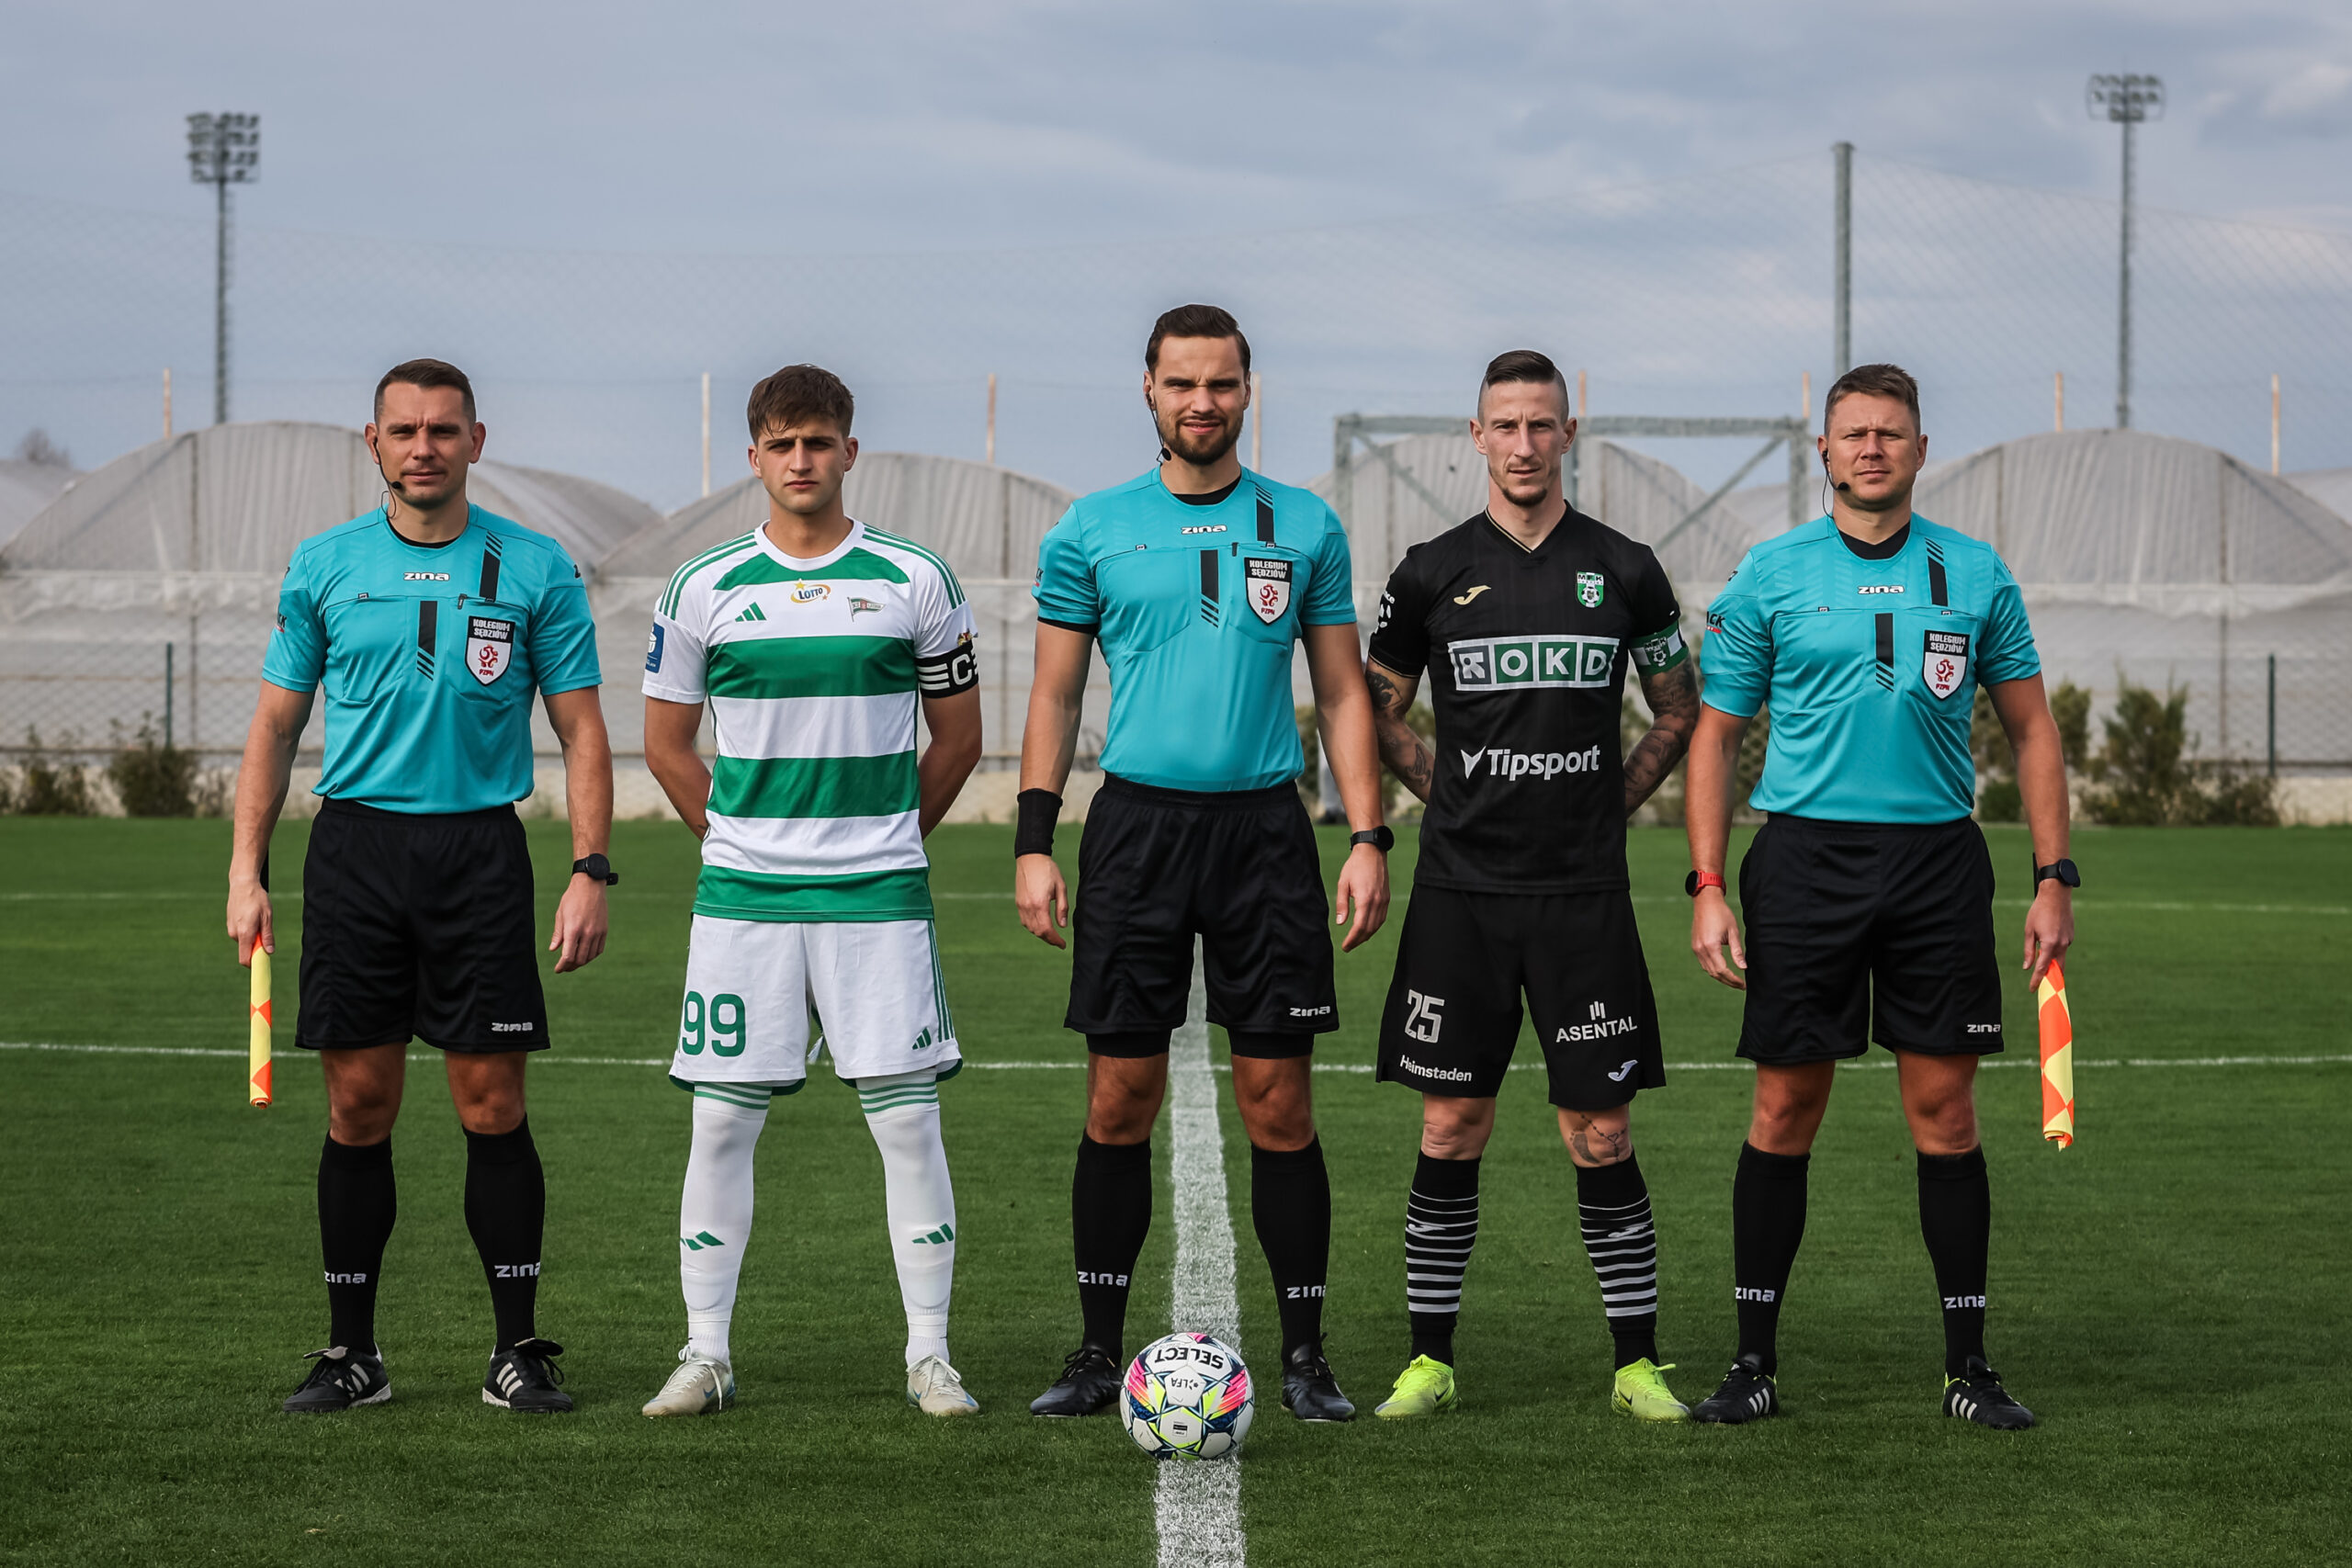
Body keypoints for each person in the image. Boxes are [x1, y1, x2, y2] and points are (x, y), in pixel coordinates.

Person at [1016, 304, 1389, 1423]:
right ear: (1148, 388)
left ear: (1246, 391)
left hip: (1264, 835)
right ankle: (1096, 1354)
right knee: (1118, 1098)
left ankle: (1306, 1357)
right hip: (1135, 832)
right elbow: (1053, 695)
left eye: (1221, 384)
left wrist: (1365, 836)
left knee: (1278, 1104)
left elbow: (1341, 694)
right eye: (1181, 383)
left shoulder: (1303, 524)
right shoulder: (1091, 528)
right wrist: (1034, 843)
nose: (1201, 403)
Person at [1684, 362, 2075, 1430]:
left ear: (1919, 449)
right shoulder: (1770, 571)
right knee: (1783, 1108)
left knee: (1945, 1113)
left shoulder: (1974, 572)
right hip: (1803, 862)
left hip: (1936, 867)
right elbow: (1714, 738)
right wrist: (1707, 884)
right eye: (1852, 433)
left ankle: (1969, 1369)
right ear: (1824, 451)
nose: (1870, 448)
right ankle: (1751, 1365)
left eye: (1889, 433)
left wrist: (2052, 877)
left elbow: (2032, 730)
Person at [228, 358, 613, 1415]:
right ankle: (352, 1354)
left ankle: (516, 1351)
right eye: (404, 430)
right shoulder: (325, 563)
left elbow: (582, 731)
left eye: (444, 429)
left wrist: (589, 869)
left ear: (476, 442)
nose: (424, 447)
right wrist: (246, 872)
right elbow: (274, 726)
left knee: (492, 1103)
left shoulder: (535, 566)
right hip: (355, 855)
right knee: (359, 1104)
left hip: (479, 856)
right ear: (375, 443)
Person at [637, 365, 986, 1419]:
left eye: (819, 442)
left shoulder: (914, 578)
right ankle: (706, 1354)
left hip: (876, 899)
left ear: (848, 451)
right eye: (783, 444)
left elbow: (958, 741)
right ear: (754, 457)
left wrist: (886, 838)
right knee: (719, 1126)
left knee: (908, 1125)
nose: (802, 460)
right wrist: (738, 842)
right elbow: (665, 745)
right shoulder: (702, 587)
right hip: (745, 902)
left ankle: (930, 1356)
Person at [1359, 349, 1700, 1423]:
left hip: (1581, 895)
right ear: (1477, 437)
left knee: (1601, 1132)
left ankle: (1637, 1366)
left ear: (1567, 434)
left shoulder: (1626, 568)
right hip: (1460, 891)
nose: (1522, 443)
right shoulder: (1429, 571)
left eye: (1540, 424)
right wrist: (1443, 789)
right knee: (1450, 1124)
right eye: (1503, 425)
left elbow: (1679, 706)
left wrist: (1611, 798)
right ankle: (1429, 1363)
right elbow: (1371, 708)